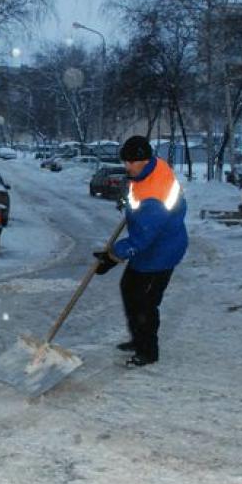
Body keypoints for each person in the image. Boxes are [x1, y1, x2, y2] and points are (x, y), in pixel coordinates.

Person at [94, 136, 188, 367]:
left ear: (145, 160)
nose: (126, 167)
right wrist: (130, 203)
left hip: (161, 252)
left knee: (145, 302)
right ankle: (138, 338)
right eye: (125, 161)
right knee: (129, 288)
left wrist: (113, 257)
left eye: (130, 163)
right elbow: (141, 209)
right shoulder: (153, 169)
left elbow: (141, 239)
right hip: (153, 245)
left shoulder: (154, 195)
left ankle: (148, 351)